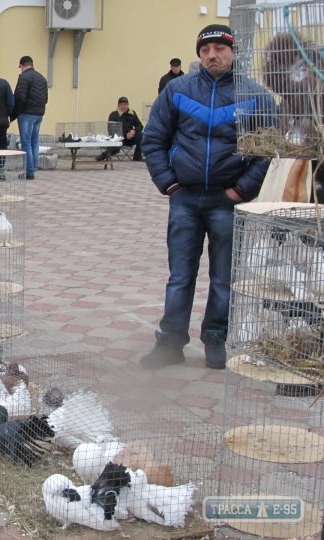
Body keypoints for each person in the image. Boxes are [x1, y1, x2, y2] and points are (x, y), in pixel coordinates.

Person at [140, 24, 276, 370]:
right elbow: (153, 140)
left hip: (228, 200)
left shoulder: (256, 96)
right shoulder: (177, 90)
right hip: (184, 199)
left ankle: (215, 338)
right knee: (180, 276)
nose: (212, 55)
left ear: (233, 52)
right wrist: (168, 184)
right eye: (205, 50)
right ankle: (170, 342)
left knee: (224, 277)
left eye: (219, 48)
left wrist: (242, 189)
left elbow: (269, 149)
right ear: (199, 54)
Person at [11, 55, 48, 180]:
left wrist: (16, 113)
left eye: (20, 67)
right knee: (34, 142)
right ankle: (32, 169)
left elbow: (20, 97)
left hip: (27, 114)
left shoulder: (24, 78)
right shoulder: (42, 78)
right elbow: (46, 98)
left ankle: (29, 172)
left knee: (26, 143)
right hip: (39, 114)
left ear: (22, 65)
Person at [97, 97, 144, 162]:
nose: (123, 106)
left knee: (142, 135)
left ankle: (137, 157)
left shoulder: (132, 113)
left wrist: (134, 131)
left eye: (125, 104)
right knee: (115, 146)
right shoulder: (113, 115)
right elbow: (111, 131)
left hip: (131, 138)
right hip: (119, 138)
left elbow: (140, 126)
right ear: (118, 106)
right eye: (121, 105)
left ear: (128, 105)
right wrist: (125, 135)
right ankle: (103, 156)